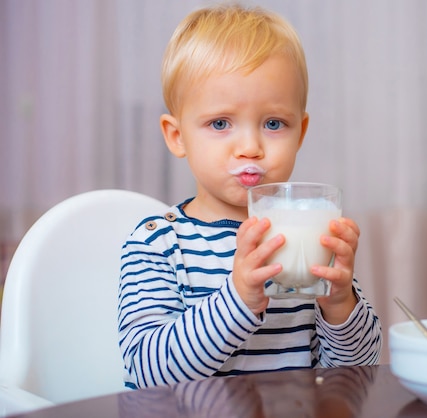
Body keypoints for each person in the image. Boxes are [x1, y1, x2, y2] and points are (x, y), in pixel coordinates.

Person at [117, 3, 382, 389]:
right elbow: (147, 371)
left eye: (274, 123)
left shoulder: (308, 236)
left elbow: (357, 370)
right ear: (177, 136)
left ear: (301, 133)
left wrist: (340, 302)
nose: (250, 147)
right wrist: (237, 299)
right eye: (220, 123)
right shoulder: (158, 242)